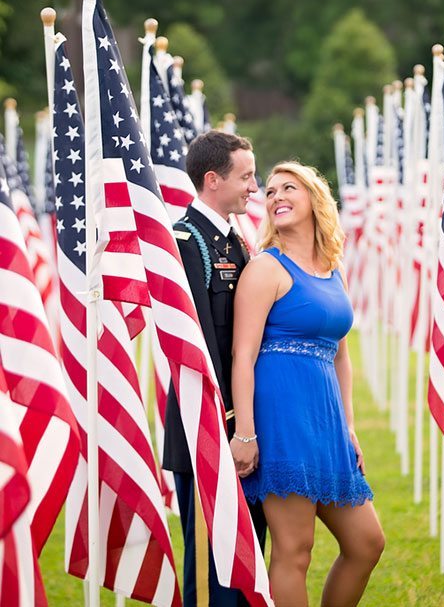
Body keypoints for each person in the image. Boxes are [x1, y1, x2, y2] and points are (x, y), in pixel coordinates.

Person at [230, 161, 385, 607]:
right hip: (283, 421)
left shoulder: (332, 268)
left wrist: (350, 426)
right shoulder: (266, 269)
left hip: (328, 425)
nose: (276, 196)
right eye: (271, 190)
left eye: (288, 188)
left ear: (314, 199)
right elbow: (244, 356)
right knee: (295, 551)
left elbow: (341, 352)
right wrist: (245, 432)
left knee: (366, 543)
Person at [163, 130, 266, 607]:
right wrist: (233, 425)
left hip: (241, 424)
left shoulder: (234, 240)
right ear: (212, 180)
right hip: (208, 425)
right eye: (245, 176)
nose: (253, 186)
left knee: (247, 554)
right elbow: (199, 347)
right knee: (211, 563)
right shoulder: (186, 242)